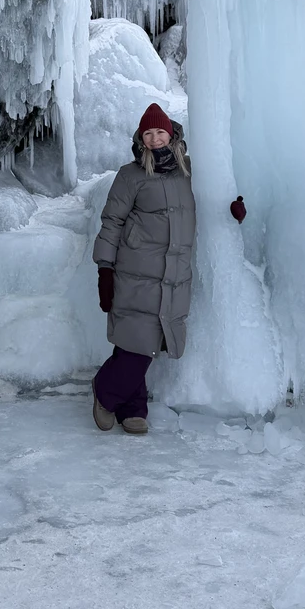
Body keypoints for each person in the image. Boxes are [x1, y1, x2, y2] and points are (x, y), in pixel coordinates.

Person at [90, 102, 195, 435]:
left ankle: (133, 408)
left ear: (171, 133)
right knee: (140, 341)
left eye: (159, 132)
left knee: (137, 341)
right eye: (148, 133)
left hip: (173, 273)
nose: (154, 139)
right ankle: (106, 392)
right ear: (140, 137)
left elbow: (216, 194)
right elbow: (112, 221)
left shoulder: (188, 171)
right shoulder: (130, 175)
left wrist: (234, 206)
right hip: (136, 270)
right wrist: (104, 268)